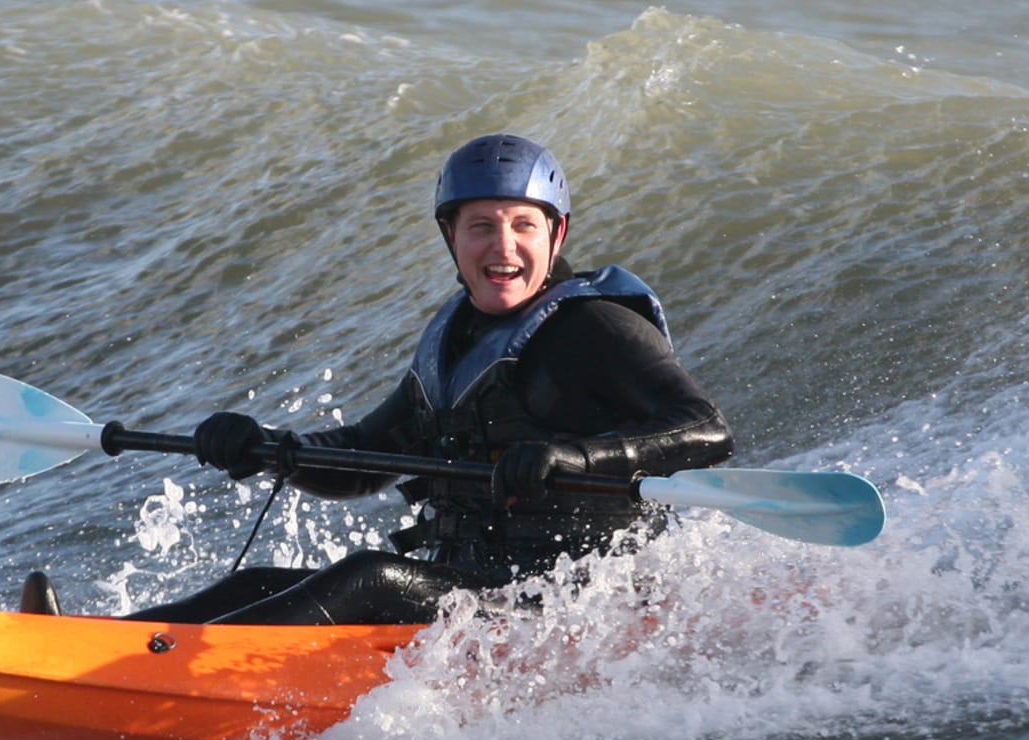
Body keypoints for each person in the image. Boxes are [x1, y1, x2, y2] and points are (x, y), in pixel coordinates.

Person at [65, 133, 732, 627]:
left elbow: (706, 430)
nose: (503, 247)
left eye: (523, 226)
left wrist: (572, 456)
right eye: (481, 227)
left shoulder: (597, 326)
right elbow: (365, 461)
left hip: (571, 603)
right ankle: (96, 648)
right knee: (259, 582)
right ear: (450, 237)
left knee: (369, 576)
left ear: (556, 237)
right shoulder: (457, 341)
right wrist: (267, 448)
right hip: (475, 588)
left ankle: (150, 673)